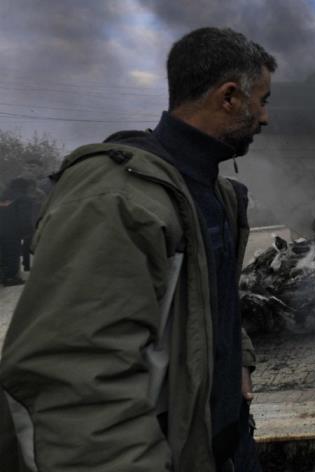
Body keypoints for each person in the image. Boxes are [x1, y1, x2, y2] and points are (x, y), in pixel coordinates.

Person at [0, 27, 274, 471]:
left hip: (224, 447)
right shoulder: (117, 198)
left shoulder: (215, 192)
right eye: (262, 101)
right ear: (229, 97)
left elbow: (207, 298)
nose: (264, 117)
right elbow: (78, 382)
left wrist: (236, 357)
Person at [0, 178, 33, 286]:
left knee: (3, 253)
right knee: (12, 253)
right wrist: (27, 231)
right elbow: (24, 218)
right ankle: (10, 277)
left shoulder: (3, 197)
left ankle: (3, 275)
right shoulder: (24, 199)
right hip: (12, 231)